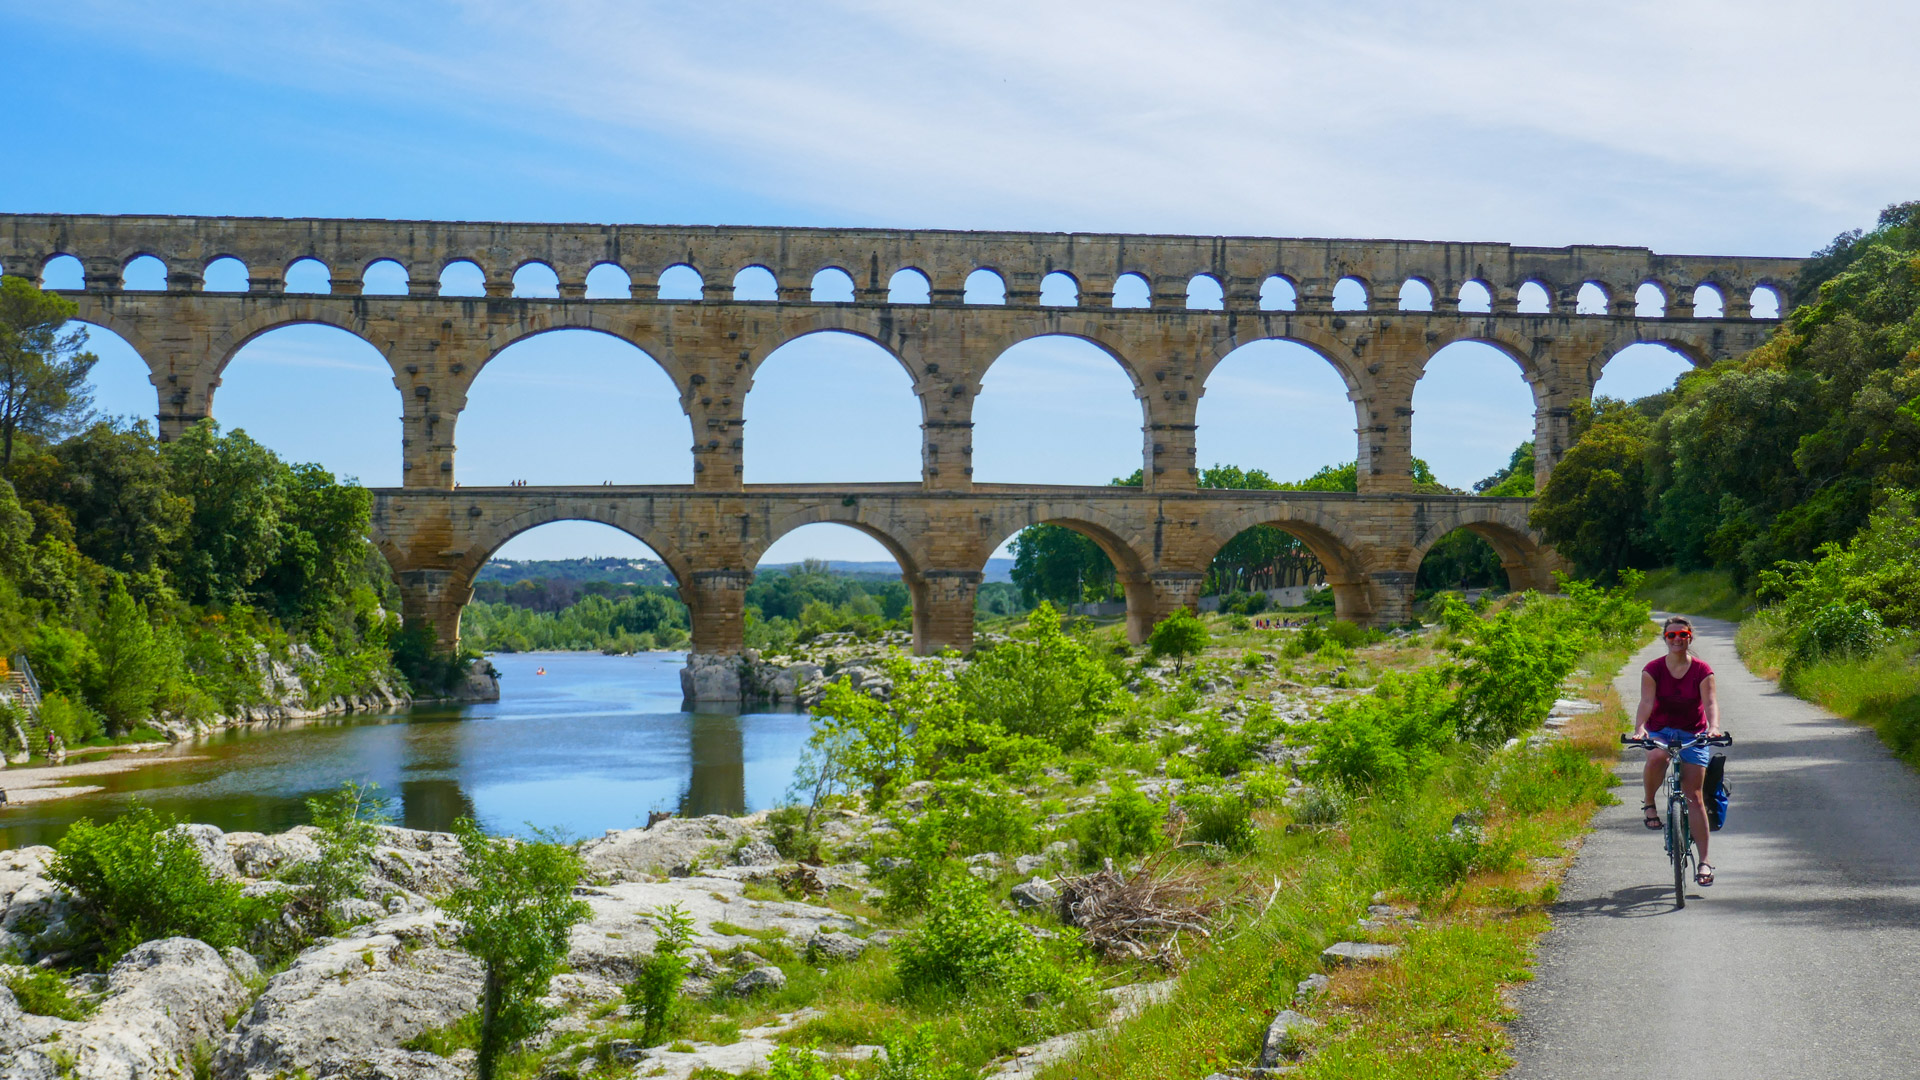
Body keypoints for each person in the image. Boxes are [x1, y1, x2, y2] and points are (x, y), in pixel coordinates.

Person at [1631, 615, 1722, 885]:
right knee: (1657, 756)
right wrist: (1640, 728)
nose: (1677, 639)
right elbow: (1646, 701)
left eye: (1682, 635)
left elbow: (1710, 703)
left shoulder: (1702, 670)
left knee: (1694, 796)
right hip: (1661, 729)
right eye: (1671, 635)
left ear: (1690, 636)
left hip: (1694, 732)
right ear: (1665, 639)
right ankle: (1649, 804)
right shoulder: (1653, 669)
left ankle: (1704, 863)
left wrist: (1714, 727)